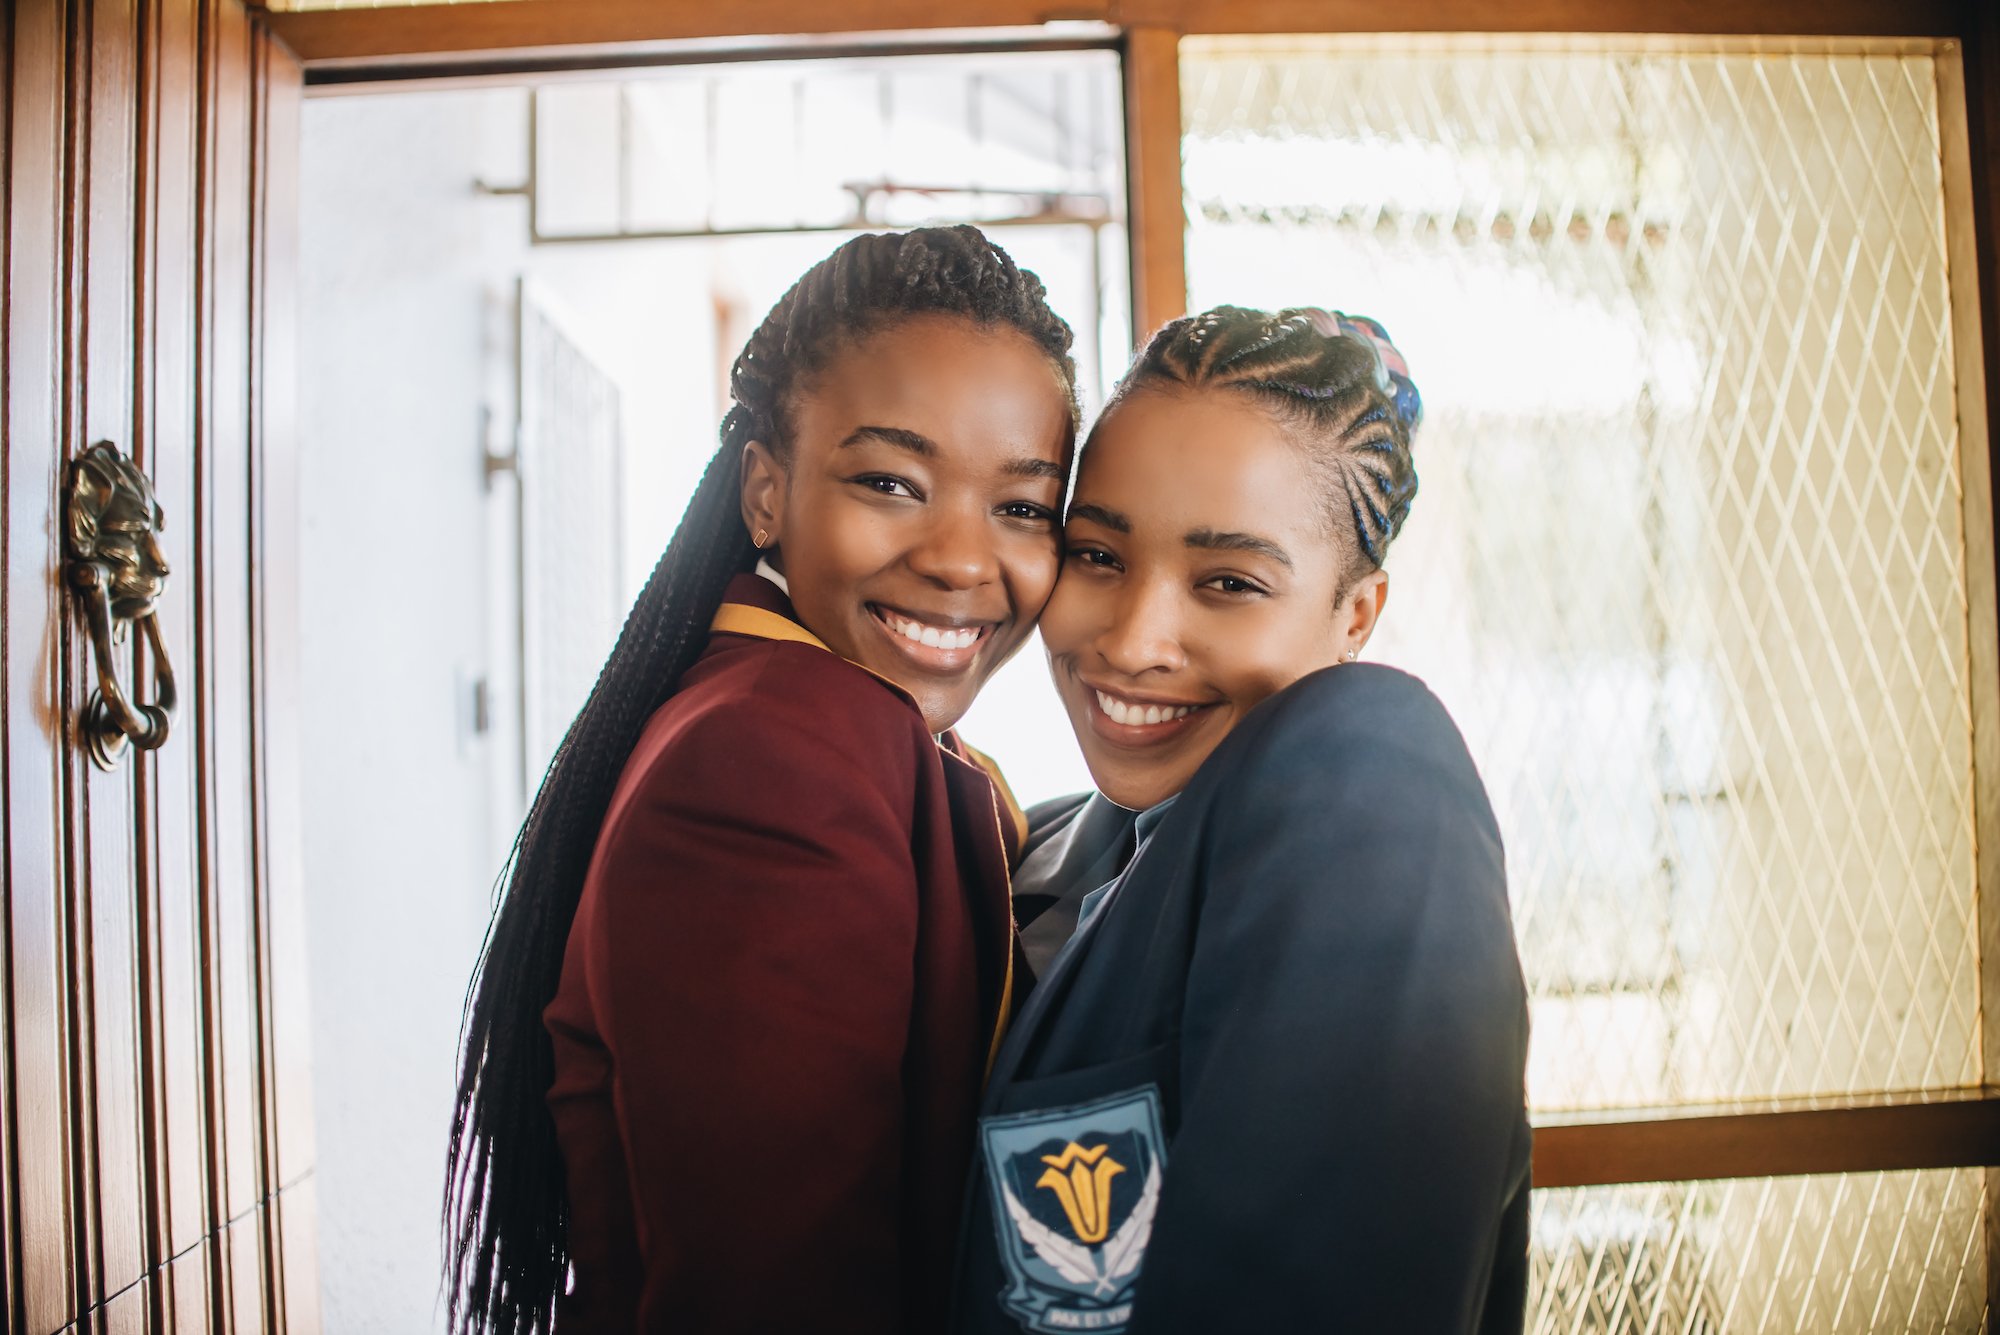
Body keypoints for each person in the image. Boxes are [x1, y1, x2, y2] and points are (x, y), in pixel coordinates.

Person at [442, 225, 1081, 1335]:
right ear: (767, 493)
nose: (962, 560)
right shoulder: (774, 763)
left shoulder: (830, 721)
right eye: (890, 481)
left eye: (1021, 507)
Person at [954, 307, 1531, 1334]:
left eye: (1227, 583)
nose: (1133, 642)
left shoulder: (1374, 776)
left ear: (1355, 615)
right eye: (1095, 556)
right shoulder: (1022, 849)